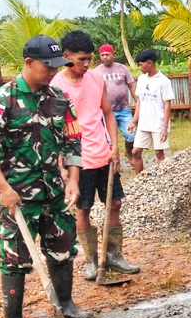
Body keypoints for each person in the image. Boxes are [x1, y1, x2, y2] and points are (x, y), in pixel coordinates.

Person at [0, 35, 93, 318]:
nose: (52, 72)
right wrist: (3, 188)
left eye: (56, 67)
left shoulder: (59, 99)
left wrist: (74, 180)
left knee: (63, 248)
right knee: (15, 258)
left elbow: (73, 141)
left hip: (54, 191)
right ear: (28, 63)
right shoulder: (3, 100)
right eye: (46, 67)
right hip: (17, 196)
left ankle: (64, 304)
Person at [51, 30, 140, 281]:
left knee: (115, 203)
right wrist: (63, 165)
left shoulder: (96, 79)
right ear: (66, 56)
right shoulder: (57, 85)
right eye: (81, 59)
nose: (87, 64)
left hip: (103, 153)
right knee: (83, 209)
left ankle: (113, 255)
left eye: (89, 58)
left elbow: (108, 113)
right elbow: (55, 127)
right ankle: (91, 259)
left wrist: (113, 147)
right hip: (78, 160)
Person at [92, 44, 142, 173]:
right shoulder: (96, 72)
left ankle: (129, 153)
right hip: (106, 111)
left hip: (123, 109)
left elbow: (131, 85)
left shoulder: (122, 69)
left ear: (113, 55)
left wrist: (138, 101)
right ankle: (115, 163)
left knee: (131, 135)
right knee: (109, 138)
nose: (105, 57)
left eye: (107, 54)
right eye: (102, 55)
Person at [126, 48, 174, 166]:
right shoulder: (142, 79)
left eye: (141, 65)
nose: (140, 67)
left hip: (158, 124)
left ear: (150, 63)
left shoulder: (164, 81)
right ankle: (140, 181)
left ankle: (161, 181)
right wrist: (134, 122)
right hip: (144, 124)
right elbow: (139, 102)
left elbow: (167, 105)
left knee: (159, 153)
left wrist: (164, 127)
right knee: (135, 152)